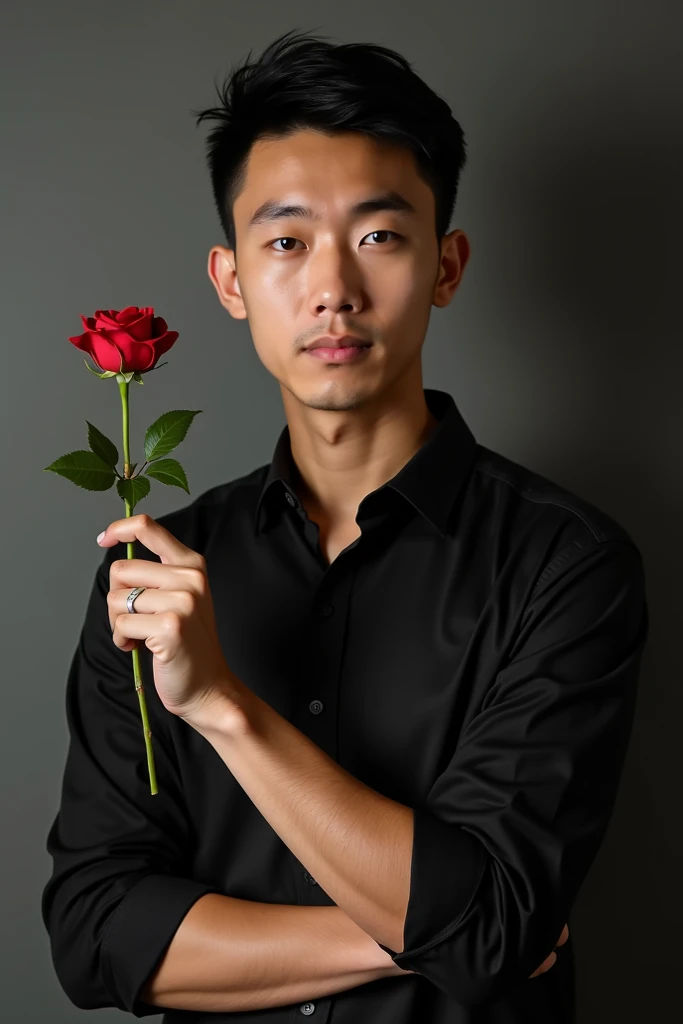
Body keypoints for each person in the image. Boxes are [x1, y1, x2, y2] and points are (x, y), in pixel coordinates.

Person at [41, 28, 648, 1024]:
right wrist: (449, 937)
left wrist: (222, 706)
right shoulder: (156, 575)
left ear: (445, 265)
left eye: (379, 234)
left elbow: (492, 922)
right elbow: (95, 932)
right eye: (284, 241)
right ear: (231, 280)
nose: (333, 288)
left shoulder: (564, 566)